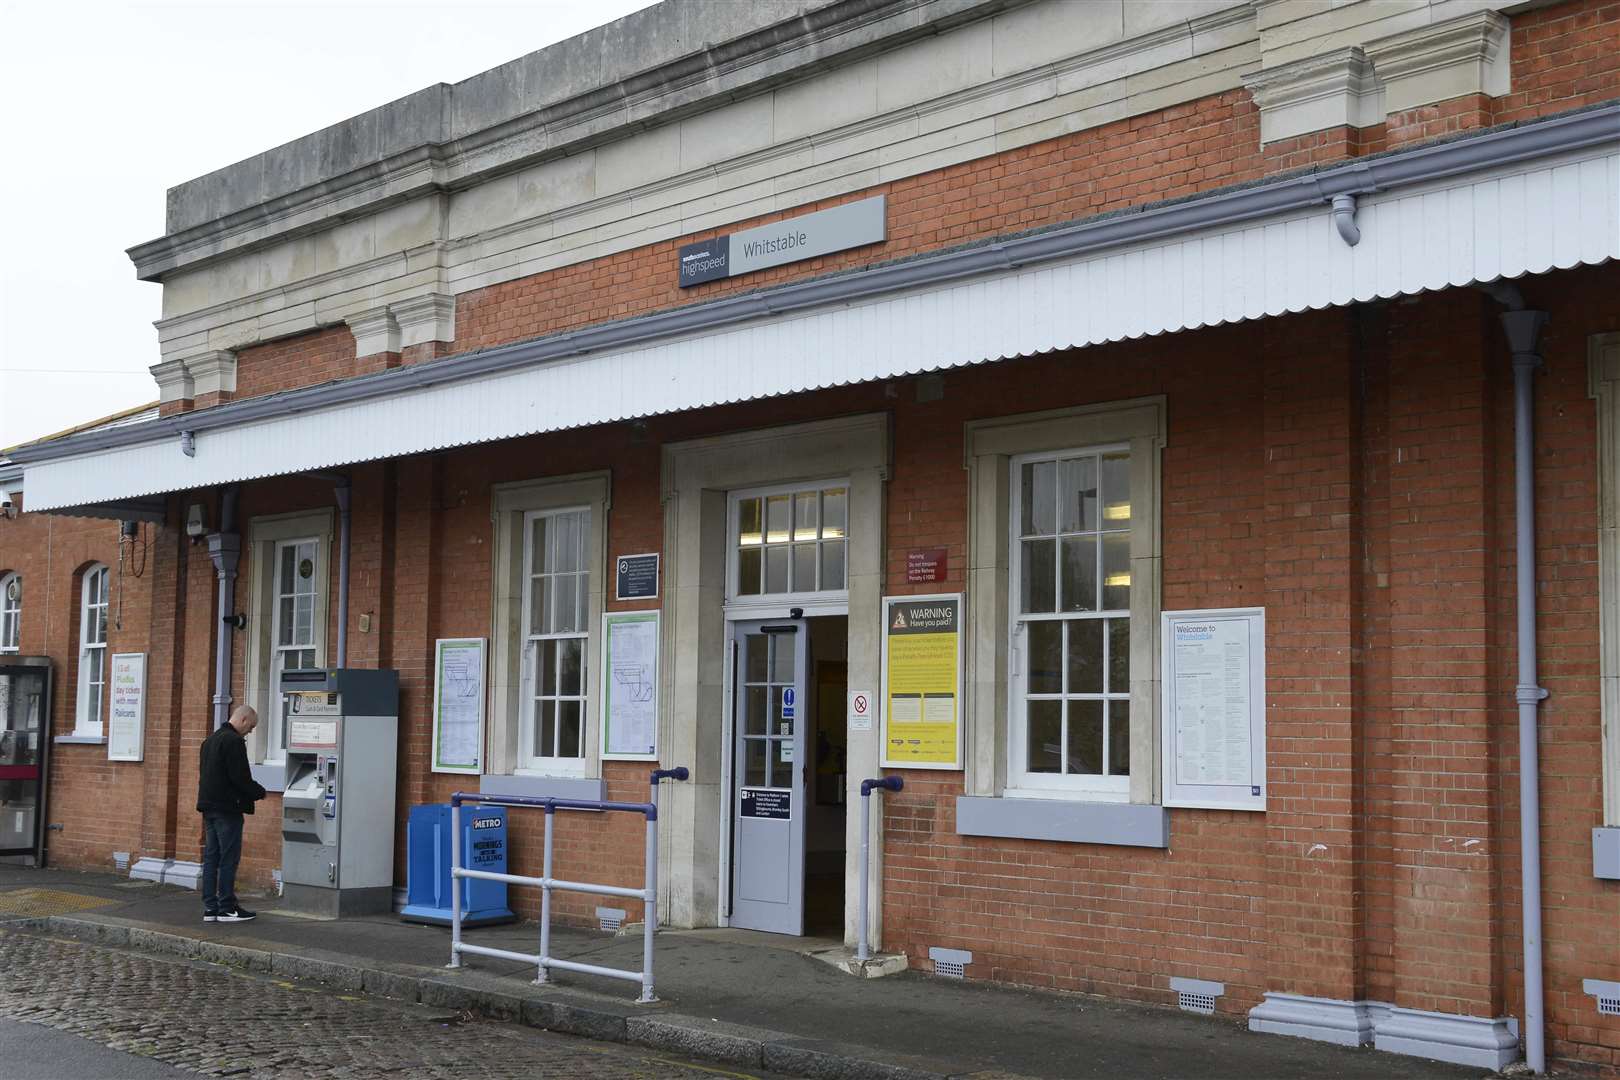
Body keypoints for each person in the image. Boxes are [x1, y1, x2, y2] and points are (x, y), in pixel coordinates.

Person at [196, 705, 267, 923]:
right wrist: (259, 792)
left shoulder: (209, 741)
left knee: (211, 858)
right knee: (228, 858)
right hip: (227, 808)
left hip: (208, 806)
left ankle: (210, 908)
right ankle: (227, 907)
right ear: (244, 719)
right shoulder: (233, 742)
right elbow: (240, 777)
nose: (251, 731)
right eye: (252, 726)